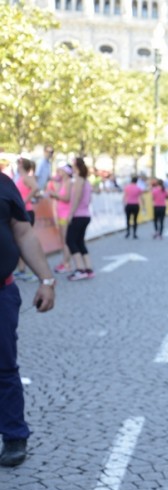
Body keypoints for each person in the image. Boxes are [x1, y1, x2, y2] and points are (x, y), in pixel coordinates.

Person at [1, 171, 56, 467]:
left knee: (3, 367)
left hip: (1, 292)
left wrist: (46, 280)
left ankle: (14, 436)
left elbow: (23, 233)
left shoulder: (4, 185)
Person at [66, 157, 95, 281]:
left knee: (70, 240)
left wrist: (71, 214)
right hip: (85, 214)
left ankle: (80, 269)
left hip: (78, 215)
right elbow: (89, 199)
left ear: (76, 166)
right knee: (79, 242)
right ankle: (88, 268)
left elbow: (77, 198)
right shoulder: (86, 181)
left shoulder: (79, 180)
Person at [13, 158, 39, 281]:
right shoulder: (20, 177)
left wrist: (23, 201)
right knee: (19, 242)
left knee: (25, 243)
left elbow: (35, 188)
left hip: (26, 212)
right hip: (22, 212)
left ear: (22, 165)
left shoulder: (27, 177)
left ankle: (34, 271)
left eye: (18, 163)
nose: (17, 165)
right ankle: (21, 270)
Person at [46, 164, 74, 273]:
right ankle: (65, 262)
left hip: (65, 214)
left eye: (61, 170)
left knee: (66, 240)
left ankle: (66, 263)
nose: (59, 172)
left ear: (66, 172)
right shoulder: (63, 182)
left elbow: (67, 198)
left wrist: (55, 195)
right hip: (61, 213)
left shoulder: (69, 182)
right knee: (63, 240)